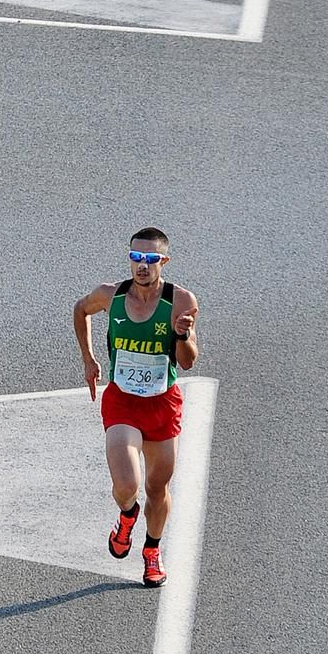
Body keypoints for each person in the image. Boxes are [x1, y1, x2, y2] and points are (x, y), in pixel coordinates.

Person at [73, 227, 198, 588]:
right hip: (123, 401)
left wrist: (182, 334)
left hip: (162, 403)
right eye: (136, 258)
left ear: (164, 262)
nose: (142, 266)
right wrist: (89, 359)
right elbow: (81, 310)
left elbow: (187, 362)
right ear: (130, 258)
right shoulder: (110, 296)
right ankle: (127, 515)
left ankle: (152, 550)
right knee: (128, 484)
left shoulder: (181, 302)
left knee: (158, 488)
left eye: (151, 259)